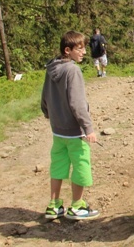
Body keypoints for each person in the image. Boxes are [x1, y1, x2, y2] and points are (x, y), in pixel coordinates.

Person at [41, 31, 100, 220]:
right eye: (79, 48)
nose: (84, 52)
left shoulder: (51, 69)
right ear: (68, 50)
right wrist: (88, 128)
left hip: (58, 131)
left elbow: (44, 97)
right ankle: (77, 206)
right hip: (75, 133)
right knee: (81, 166)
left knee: (58, 166)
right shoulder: (72, 70)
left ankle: (54, 205)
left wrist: (49, 115)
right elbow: (77, 103)